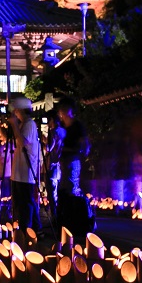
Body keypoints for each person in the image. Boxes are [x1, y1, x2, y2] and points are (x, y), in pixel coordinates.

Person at [0, 96, 41, 235]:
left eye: (15, 110)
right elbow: (10, 140)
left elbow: (22, 142)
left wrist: (14, 124)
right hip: (18, 171)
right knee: (22, 202)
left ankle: (27, 231)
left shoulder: (29, 124)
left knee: (25, 204)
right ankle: (34, 229)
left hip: (26, 172)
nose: (14, 112)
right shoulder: (22, 124)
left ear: (20, 110)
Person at [55, 98, 92, 242]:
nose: (62, 113)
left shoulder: (77, 126)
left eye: (64, 109)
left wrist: (76, 151)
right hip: (63, 162)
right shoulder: (62, 127)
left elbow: (84, 145)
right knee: (64, 189)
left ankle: (77, 221)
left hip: (73, 161)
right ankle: (66, 220)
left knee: (72, 189)